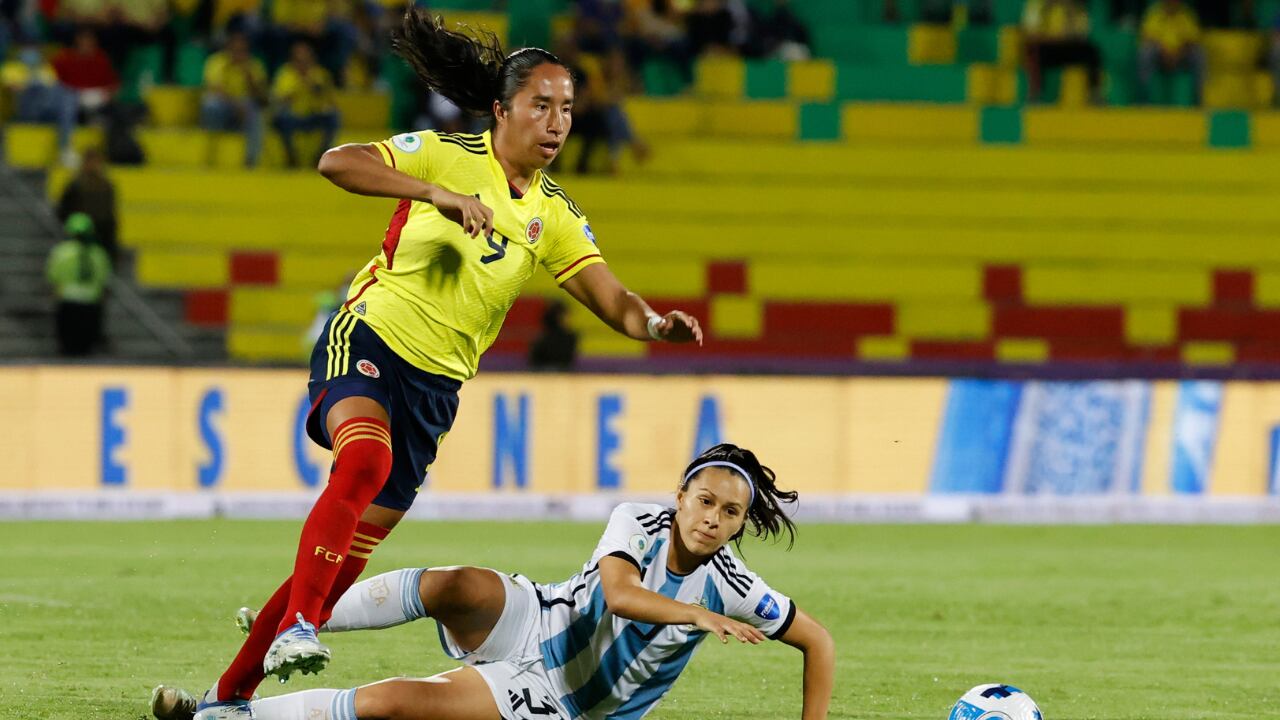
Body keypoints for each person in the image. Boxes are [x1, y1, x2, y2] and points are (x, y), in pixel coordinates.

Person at [166, 9, 704, 720]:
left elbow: (614, 301)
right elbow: (338, 162)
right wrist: (434, 194)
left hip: (434, 392)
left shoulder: (555, 215)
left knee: (337, 565)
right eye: (540, 105)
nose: (556, 121)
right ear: (501, 110)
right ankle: (297, 628)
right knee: (363, 465)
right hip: (370, 339)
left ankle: (227, 701)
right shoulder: (447, 155)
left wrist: (654, 324)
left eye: (567, 108)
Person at [152, 444, 835, 720]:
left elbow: (819, 643)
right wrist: (690, 619)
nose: (714, 519)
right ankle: (305, 621)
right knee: (459, 584)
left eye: (731, 513)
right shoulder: (640, 519)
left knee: (393, 703)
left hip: (559, 698)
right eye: (706, 501)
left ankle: (225, 718)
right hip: (539, 619)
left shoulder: (737, 587)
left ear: (742, 524)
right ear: (682, 495)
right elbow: (622, 593)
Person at [45, 212, 112, 357]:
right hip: (91, 303)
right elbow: (103, 280)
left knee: (67, 345)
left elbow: (53, 277)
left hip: (68, 301)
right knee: (87, 346)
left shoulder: (62, 252)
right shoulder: (98, 254)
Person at [1, 40, 78, 164]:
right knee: (38, 88)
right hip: (25, 111)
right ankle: (65, 146)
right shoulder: (10, 68)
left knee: (68, 95)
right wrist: (31, 82)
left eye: (34, 50)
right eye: (27, 49)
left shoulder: (45, 69)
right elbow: (12, 89)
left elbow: (54, 88)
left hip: (46, 111)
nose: (31, 53)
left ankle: (65, 147)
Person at [201, 30, 268, 167]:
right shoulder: (217, 62)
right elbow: (216, 90)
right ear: (228, 49)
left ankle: (250, 161)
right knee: (210, 104)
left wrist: (249, 78)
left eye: (242, 50)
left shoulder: (253, 65)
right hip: (225, 107)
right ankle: (212, 153)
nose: (238, 53)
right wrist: (236, 105)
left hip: (245, 108)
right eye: (235, 49)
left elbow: (262, 99)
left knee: (256, 112)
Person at [270, 40, 340, 168]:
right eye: (298, 60)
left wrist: (317, 90)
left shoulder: (320, 74)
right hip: (293, 117)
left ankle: (321, 155)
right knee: (281, 118)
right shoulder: (286, 73)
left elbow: (331, 101)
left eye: (305, 59)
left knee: (333, 117)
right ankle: (291, 157)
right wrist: (299, 86)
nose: (302, 63)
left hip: (314, 115)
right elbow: (279, 99)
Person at [1021, 0, 1103, 104]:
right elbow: (1031, 34)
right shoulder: (1037, 4)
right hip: (1046, 47)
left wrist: (1070, 14)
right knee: (1033, 51)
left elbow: (1081, 35)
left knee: (1091, 51)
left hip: (1067, 46)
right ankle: (1034, 95)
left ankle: (1095, 94)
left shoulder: (1076, 5)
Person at [56, 146, 119, 261]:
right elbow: (63, 210)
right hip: (79, 236)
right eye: (91, 162)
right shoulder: (75, 185)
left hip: (102, 237)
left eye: (96, 162)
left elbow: (110, 214)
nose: (94, 166)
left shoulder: (106, 186)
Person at [1137, 0, 1205, 105]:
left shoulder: (1186, 14)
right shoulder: (1154, 13)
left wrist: (1178, 53)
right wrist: (1164, 51)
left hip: (1181, 56)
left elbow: (1192, 39)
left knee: (1199, 54)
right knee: (1145, 53)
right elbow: (1148, 37)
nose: (1172, 3)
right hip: (1160, 56)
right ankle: (1144, 99)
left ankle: (1198, 99)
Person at [528, 300, 578, 370]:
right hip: (545, 373)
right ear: (558, 317)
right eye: (565, 316)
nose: (568, 319)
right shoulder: (545, 338)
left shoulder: (569, 337)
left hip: (555, 373)